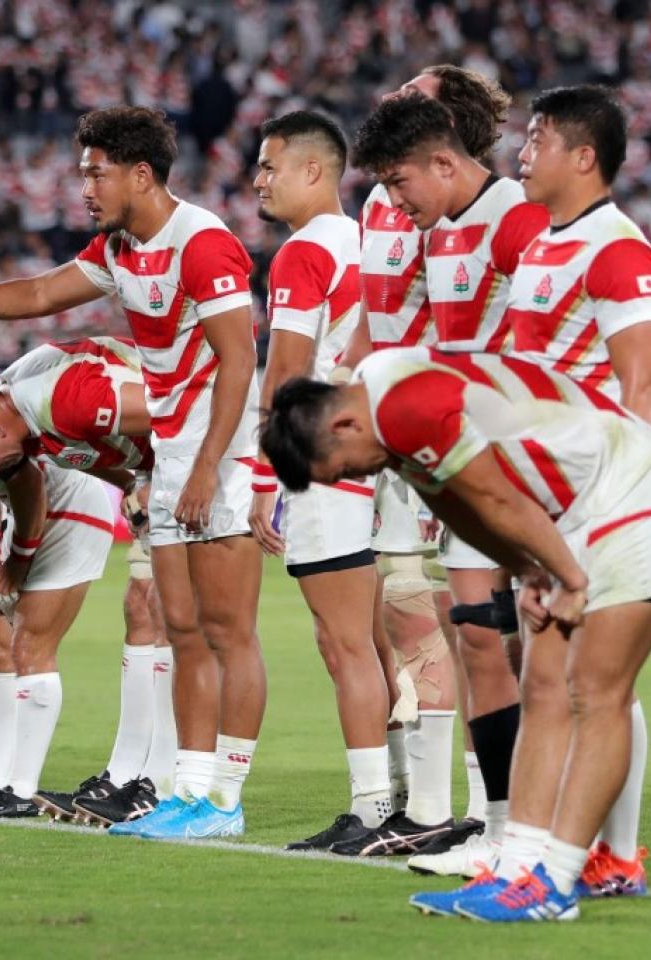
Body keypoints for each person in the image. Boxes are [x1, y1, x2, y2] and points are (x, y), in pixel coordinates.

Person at [0, 107, 265, 839]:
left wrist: (206, 466)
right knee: (182, 631)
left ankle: (225, 798)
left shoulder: (202, 243)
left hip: (214, 452)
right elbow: (39, 294)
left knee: (228, 633)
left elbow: (240, 358)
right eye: (83, 173)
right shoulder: (121, 248)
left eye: (97, 173)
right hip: (174, 456)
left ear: (141, 175)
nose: (85, 189)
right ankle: (189, 791)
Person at [260, 348, 651, 922]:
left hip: (629, 490)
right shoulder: (381, 410)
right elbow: (456, 508)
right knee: (542, 689)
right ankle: (520, 871)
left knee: (595, 691)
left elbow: (496, 498)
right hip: (572, 510)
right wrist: (529, 568)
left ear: (343, 425)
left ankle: (558, 884)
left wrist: (568, 577)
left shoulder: (403, 405)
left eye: (342, 469)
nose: (355, 477)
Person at [352, 91, 549, 869]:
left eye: (399, 183)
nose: (394, 203)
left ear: (443, 161)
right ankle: (498, 834)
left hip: (522, 471)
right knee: (477, 644)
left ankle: (566, 836)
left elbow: (543, 344)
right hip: (464, 468)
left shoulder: (515, 220)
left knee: (543, 654)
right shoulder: (440, 229)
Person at [504, 84, 651, 898]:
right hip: (548, 498)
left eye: (537, 139)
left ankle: (607, 856)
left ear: (583, 157)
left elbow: (644, 388)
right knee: (553, 684)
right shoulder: (543, 243)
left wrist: (615, 508)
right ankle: (544, 857)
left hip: (601, 497)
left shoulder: (616, 249)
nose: (521, 152)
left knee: (592, 683)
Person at [247, 110, 422, 853]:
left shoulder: (302, 253)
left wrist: (264, 473)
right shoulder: (365, 240)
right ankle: (408, 797)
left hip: (323, 457)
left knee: (342, 643)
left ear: (313, 170)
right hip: (378, 453)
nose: (258, 180)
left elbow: (287, 373)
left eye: (269, 166)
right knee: (376, 642)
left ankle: (372, 808)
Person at [0, 336, 177, 827]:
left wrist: (16, 562)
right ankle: (118, 775)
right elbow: (78, 457)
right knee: (133, 613)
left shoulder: (52, 404)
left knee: (162, 621)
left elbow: (176, 411)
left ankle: (160, 782)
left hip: (123, 492)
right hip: (146, 479)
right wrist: (134, 481)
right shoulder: (7, 420)